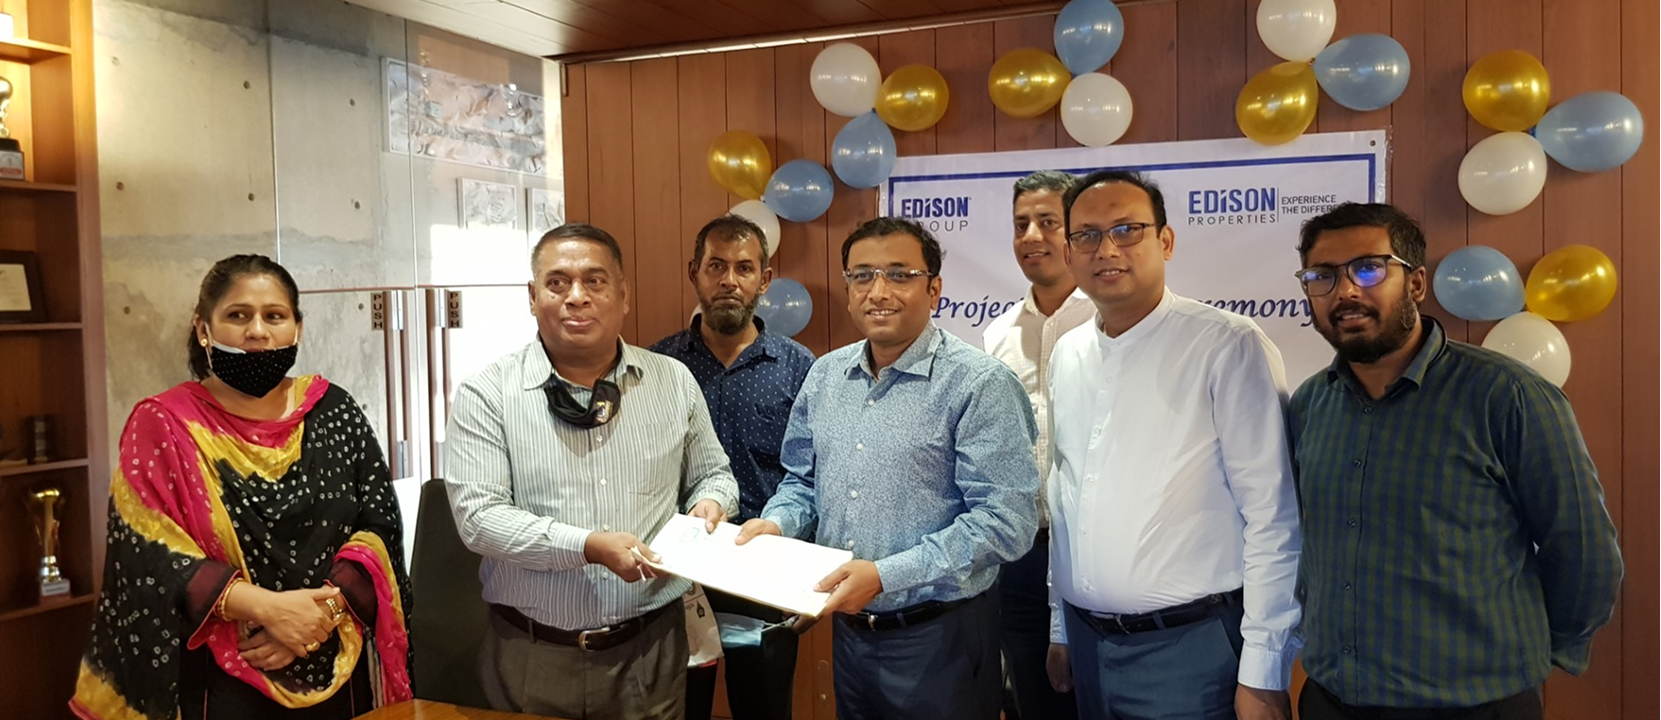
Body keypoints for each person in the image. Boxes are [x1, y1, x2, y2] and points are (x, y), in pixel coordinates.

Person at [1286, 203, 1623, 720]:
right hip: (1332, 700)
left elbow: (1585, 554)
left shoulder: (1507, 397)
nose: (1346, 291)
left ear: (1416, 283)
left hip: (1474, 703)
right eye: (1322, 276)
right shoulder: (1311, 404)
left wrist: (1527, 656)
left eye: (1369, 269)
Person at [72, 255, 412, 720]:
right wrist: (267, 610)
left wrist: (323, 614)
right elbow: (144, 550)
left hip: (332, 661)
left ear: (297, 328)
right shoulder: (165, 424)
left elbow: (380, 528)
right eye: (238, 315)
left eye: (275, 316)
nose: (257, 331)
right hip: (217, 677)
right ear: (203, 329)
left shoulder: (334, 410)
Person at [735, 216, 1040, 720]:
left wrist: (885, 576)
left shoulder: (978, 384)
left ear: (934, 289)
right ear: (848, 289)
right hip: (850, 635)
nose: (878, 292)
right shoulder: (826, 375)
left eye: (900, 275)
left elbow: (1006, 522)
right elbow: (802, 481)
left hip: (941, 637)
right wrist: (778, 523)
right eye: (862, 276)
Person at [444, 222, 739, 720]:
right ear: (532, 297)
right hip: (533, 654)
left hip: (651, 651)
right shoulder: (487, 393)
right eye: (557, 283)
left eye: (594, 281)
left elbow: (715, 475)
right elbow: (479, 520)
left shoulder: (673, 381)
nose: (576, 297)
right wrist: (587, 546)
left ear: (623, 295)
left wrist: (710, 503)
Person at [1047, 171, 1303, 720]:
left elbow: (1273, 517)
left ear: (1165, 241)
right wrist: (1059, 628)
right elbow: (1065, 496)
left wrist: (1264, 672)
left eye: (1127, 230)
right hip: (1088, 644)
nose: (1106, 249)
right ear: (1068, 253)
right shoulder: (1067, 353)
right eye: (1087, 235)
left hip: (1193, 650)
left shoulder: (1227, 344)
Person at [649, 215, 815, 720]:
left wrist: (803, 581)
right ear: (694, 273)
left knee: (763, 709)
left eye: (744, 268)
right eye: (716, 266)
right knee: (681, 709)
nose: (729, 280)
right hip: (677, 576)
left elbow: (813, 475)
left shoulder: (800, 368)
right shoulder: (659, 367)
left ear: (764, 280)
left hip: (765, 573)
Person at [982, 170, 1089, 720]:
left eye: (1048, 222)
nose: (1031, 236)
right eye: (1021, 223)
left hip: (1096, 550)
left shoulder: (1109, 319)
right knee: (1034, 700)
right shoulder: (996, 335)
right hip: (1022, 552)